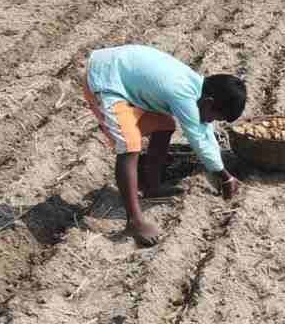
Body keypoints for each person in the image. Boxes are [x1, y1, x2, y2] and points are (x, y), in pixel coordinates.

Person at [82, 45, 246, 246]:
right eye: (214, 116)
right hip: (105, 78)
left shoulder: (196, 87)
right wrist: (224, 176)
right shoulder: (182, 94)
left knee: (165, 125)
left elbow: (204, 131)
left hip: (119, 71)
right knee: (129, 145)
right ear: (209, 102)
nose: (210, 121)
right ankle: (134, 221)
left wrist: (224, 174)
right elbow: (198, 139)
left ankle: (152, 186)